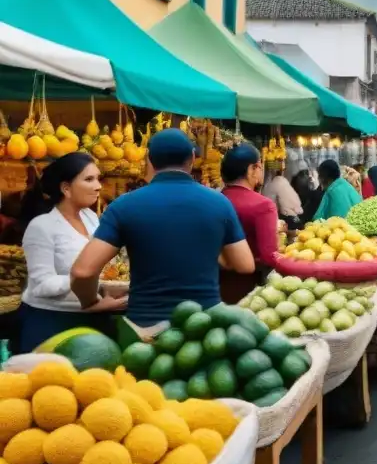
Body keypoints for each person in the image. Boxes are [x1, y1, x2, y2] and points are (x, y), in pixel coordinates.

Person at [70, 129, 254, 329]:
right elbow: (245, 265)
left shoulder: (125, 206)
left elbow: (82, 271)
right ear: (192, 158)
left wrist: (91, 301)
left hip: (146, 327)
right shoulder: (219, 203)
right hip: (203, 327)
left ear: (149, 160)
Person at [19, 154, 125, 351]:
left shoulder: (91, 217)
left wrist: (105, 288)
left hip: (94, 322)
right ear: (66, 188)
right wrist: (85, 278)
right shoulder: (42, 227)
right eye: (89, 179)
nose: (99, 186)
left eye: (98, 178)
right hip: (53, 324)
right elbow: (41, 285)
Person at [220, 144, 279, 304]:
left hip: (215, 288)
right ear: (252, 169)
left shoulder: (215, 200)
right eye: (259, 166)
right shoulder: (263, 205)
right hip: (248, 292)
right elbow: (269, 256)